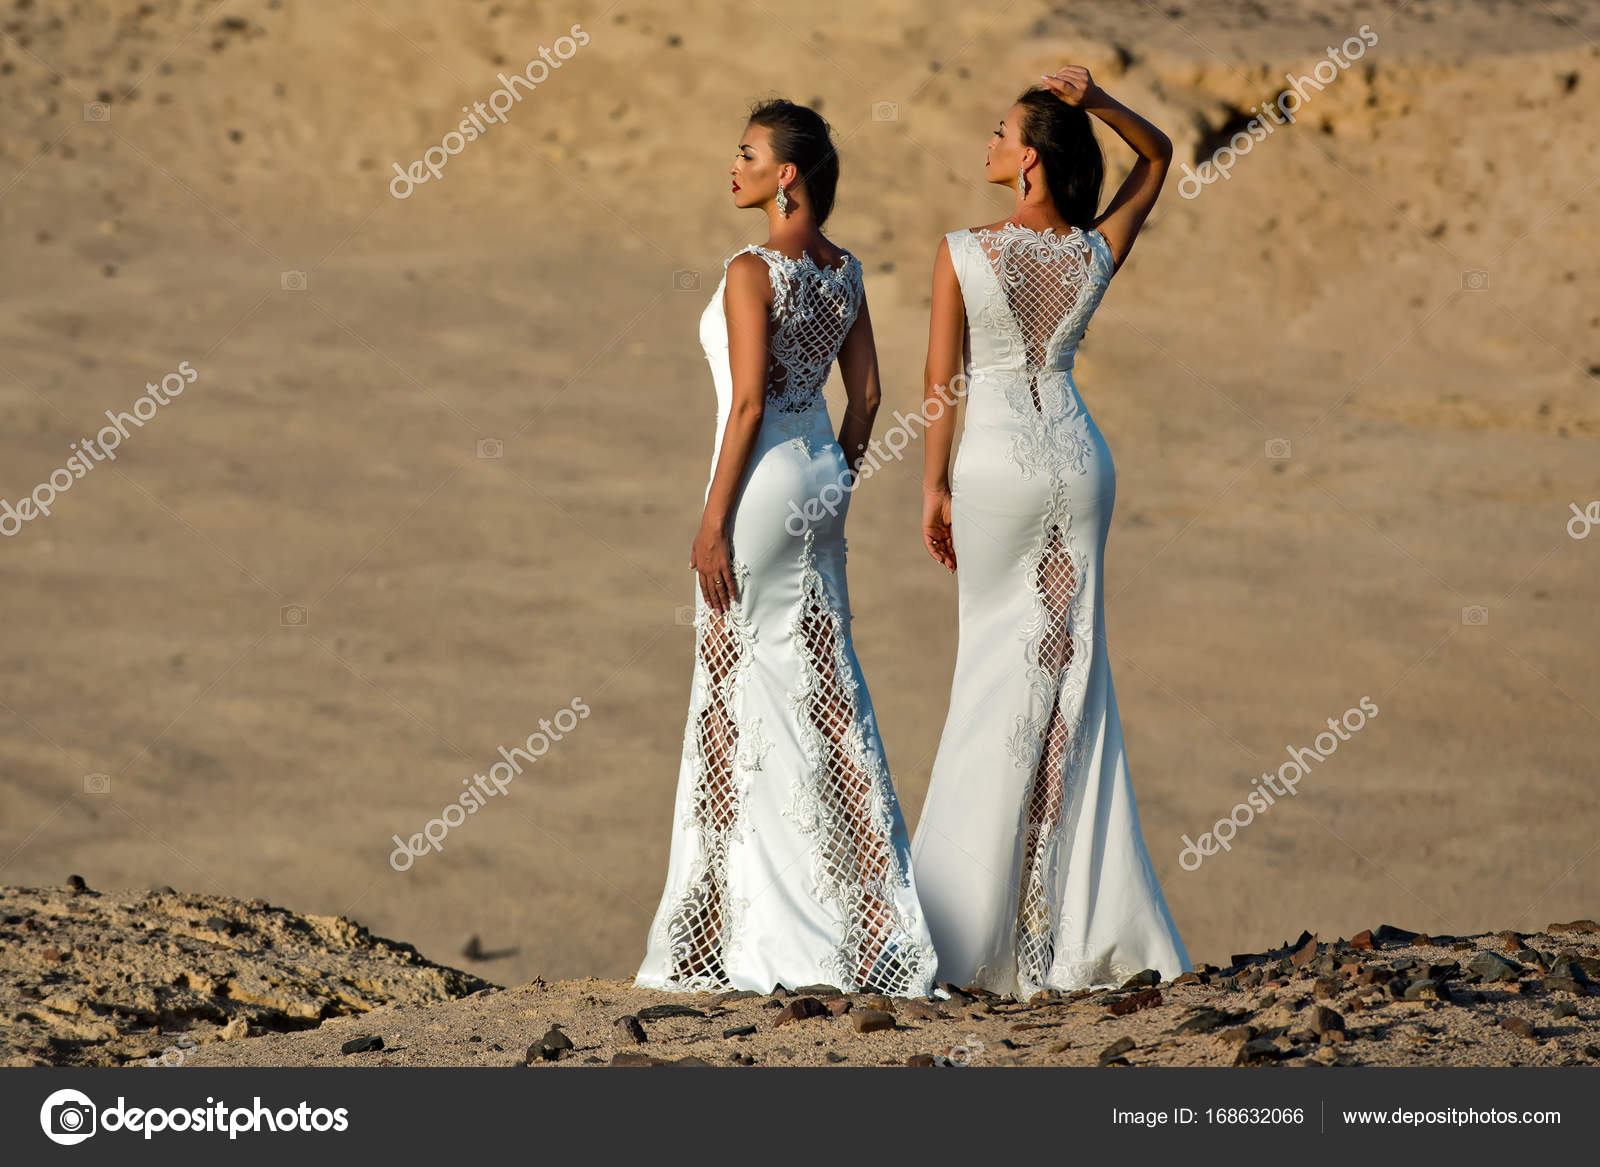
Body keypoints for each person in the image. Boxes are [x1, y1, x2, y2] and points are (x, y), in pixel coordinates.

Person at [635, 99, 938, 997]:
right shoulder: (845, 273)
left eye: (748, 154)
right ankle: (858, 917)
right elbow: (869, 398)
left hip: (758, 488)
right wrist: (834, 477)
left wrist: (711, 522)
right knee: (822, 683)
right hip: (819, 481)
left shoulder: (750, 269)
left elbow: (746, 404)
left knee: (735, 691)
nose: (734, 167)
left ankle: (740, 929)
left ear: (787, 175)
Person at [912, 68, 1191, 998]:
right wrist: (1102, 100)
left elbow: (941, 384)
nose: (989, 143)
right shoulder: (1094, 250)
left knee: (993, 670)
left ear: (1030, 158)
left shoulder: (962, 250)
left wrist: (932, 488)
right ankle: (1059, 925)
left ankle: (968, 928)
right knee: (1073, 676)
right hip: (1077, 461)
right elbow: (1158, 157)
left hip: (995, 468)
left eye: (1002, 132)